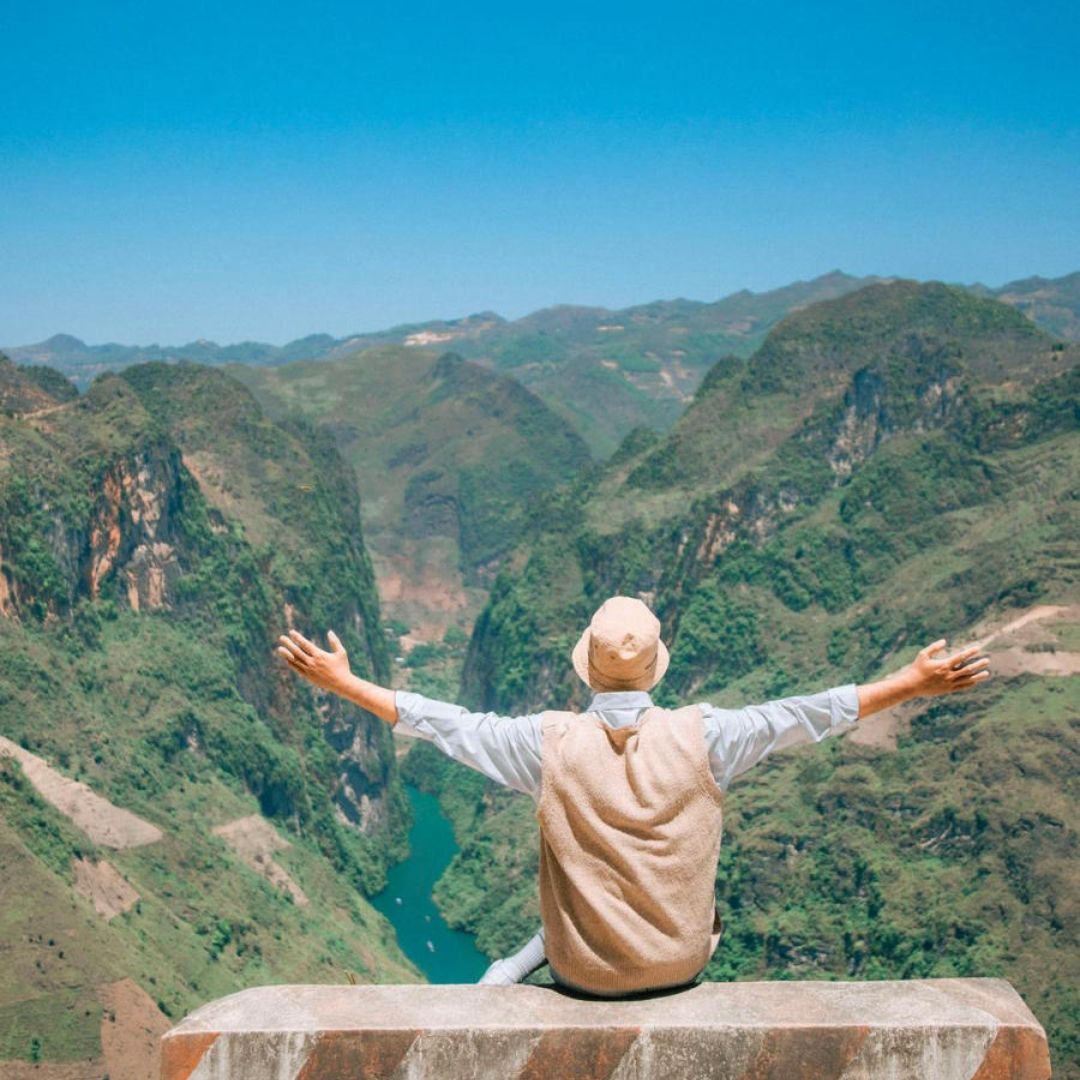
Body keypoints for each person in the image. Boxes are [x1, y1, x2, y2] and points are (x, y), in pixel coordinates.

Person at [275, 595, 991, 997]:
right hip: (679, 965)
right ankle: (518, 965)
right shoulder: (709, 736)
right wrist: (911, 681)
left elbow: (444, 725)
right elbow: (805, 715)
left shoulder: (543, 744)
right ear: (654, 668)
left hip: (584, 973)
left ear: (588, 666)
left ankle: (504, 975)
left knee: (527, 947)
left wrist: (344, 684)